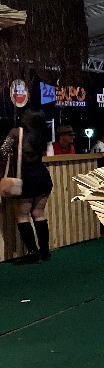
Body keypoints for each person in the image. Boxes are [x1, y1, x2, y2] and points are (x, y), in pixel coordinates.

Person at [1, 109, 54, 263]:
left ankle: (33, 252)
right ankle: (45, 251)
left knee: (22, 216)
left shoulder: (16, 132)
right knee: (39, 213)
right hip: (43, 177)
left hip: (26, 178)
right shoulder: (42, 134)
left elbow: (2, 151)